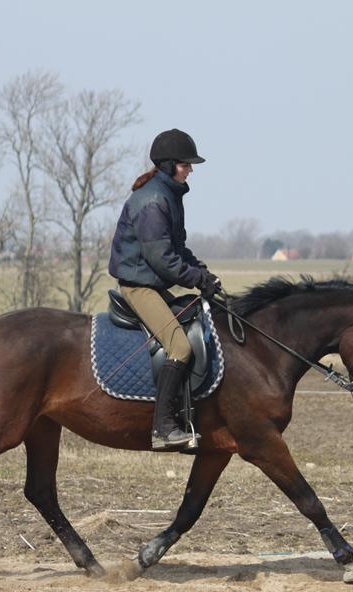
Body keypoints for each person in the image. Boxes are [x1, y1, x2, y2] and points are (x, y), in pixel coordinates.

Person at [108, 128, 222, 451]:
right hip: (139, 286)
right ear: (171, 164)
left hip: (152, 283)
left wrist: (204, 274)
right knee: (180, 347)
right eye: (186, 164)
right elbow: (164, 261)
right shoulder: (153, 201)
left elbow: (178, 250)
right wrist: (195, 279)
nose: (191, 169)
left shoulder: (169, 195)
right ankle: (163, 428)